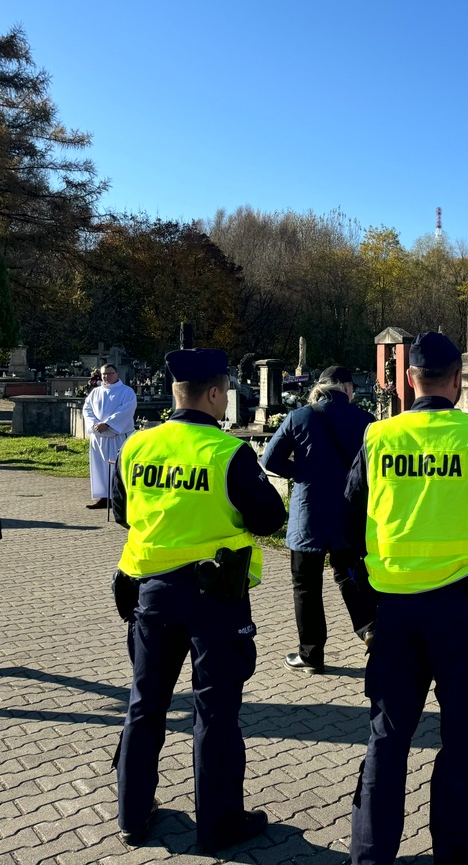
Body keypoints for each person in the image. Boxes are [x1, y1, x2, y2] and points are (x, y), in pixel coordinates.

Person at [345, 332, 468, 865]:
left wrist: (364, 602)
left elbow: (346, 526)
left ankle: (369, 854)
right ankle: (453, 846)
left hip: (393, 611)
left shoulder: (377, 438)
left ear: (409, 381)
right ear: (457, 381)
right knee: (464, 733)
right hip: (462, 611)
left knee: (387, 736)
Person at [110, 349, 286, 853]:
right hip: (215, 600)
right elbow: (270, 517)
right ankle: (219, 825)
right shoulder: (226, 452)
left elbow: (123, 514)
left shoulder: (138, 446)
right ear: (214, 394)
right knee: (215, 713)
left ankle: (132, 816)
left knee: (145, 706)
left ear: (172, 392)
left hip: (151, 595)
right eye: (226, 391)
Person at [261, 365, 377, 674]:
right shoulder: (367, 422)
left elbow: (269, 459)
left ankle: (311, 654)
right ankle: (371, 631)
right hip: (349, 514)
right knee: (351, 576)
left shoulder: (300, 416)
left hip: (309, 514)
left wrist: (300, 473)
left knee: (306, 586)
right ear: (346, 387)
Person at [83, 363, 138, 509]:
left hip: (118, 435)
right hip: (99, 436)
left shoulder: (127, 392)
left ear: (117, 374)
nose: (106, 377)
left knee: (117, 467)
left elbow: (126, 410)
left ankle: (120, 497)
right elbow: (87, 409)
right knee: (100, 467)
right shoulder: (95, 392)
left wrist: (108, 424)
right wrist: (95, 424)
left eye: (109, 373)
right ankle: (104, 497)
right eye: (103, 374)